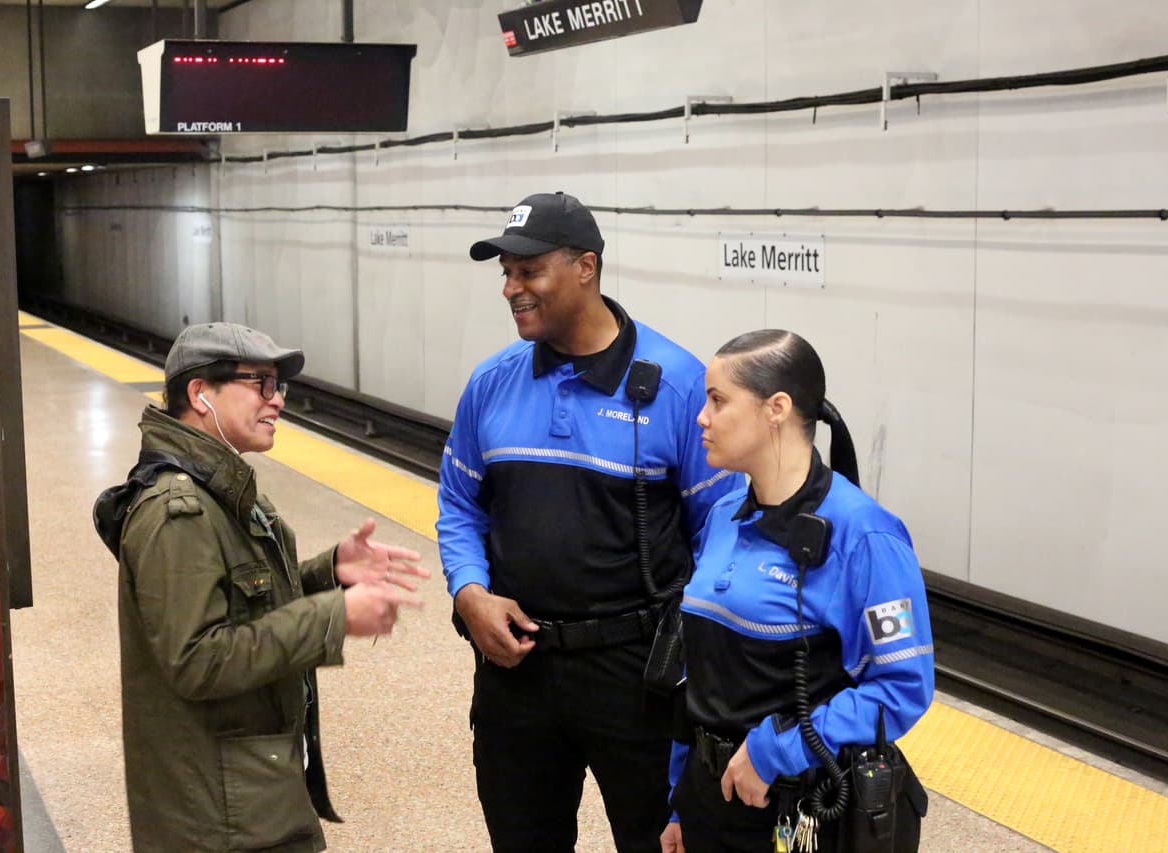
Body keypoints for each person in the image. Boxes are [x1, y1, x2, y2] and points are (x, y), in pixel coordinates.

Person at [437, 191, 740, 852]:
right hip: (515, 673)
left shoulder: (678, 386)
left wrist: (711, 678)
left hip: (640, 678)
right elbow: (459, 504)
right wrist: (469, 592)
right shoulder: (491, 384)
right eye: (506, 273)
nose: (512, 288)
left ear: (586, 267)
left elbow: (723, 532)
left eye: (529, 270)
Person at [93, 322, 428, 852]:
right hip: (218, 815)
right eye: (261, 385)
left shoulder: (220, 489)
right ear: (201, 393)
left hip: (247, 790)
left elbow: (243, 600)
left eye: (280, 387)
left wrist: (329, 573)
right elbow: (197, 658)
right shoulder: (178, 512)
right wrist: (333, 617)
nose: (278, 403)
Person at [662, 329, 933, 853]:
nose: (702, 417)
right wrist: (681, 800)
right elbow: (699, 674)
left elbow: (900, 688)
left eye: (718, 401)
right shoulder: (722, 517)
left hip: (798, 814)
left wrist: (775, 750)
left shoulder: (867, 538)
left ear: (776, 409)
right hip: (708, 801)